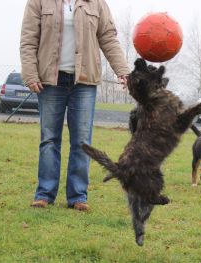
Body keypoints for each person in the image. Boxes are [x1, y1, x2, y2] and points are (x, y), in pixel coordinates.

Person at [20, 0, 130, 211]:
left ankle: (78, 196)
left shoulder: (96, 3)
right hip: (49, 81)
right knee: (49, 139)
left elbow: (108, 38)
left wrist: (122, 70)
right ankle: (44, 194)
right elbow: (28, 39)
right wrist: (30, 73)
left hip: (84, 81)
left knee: (82, 141)